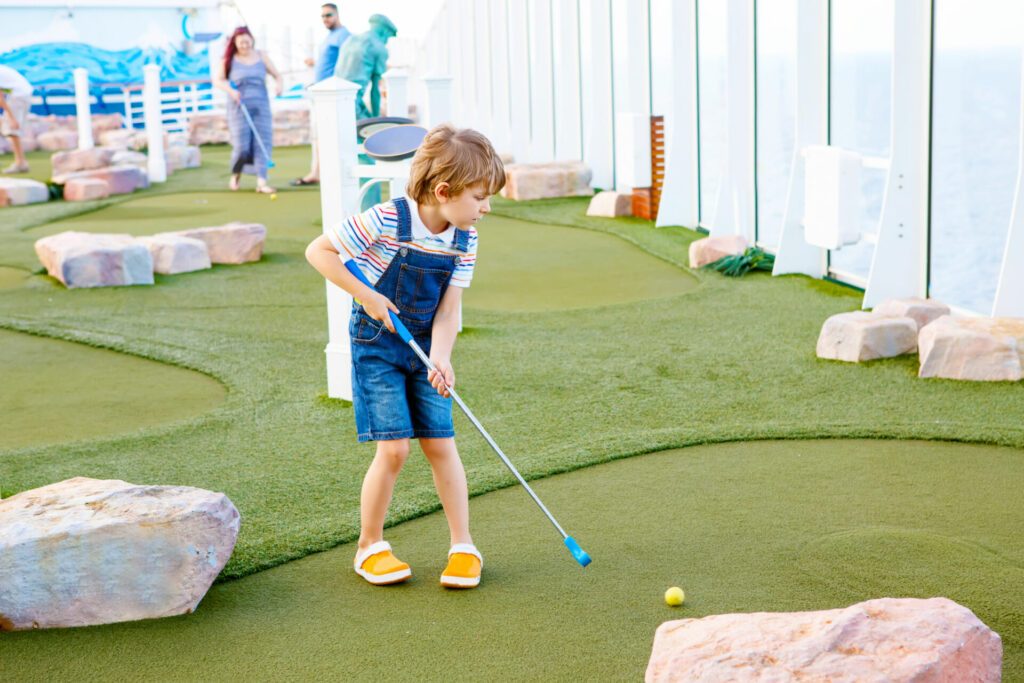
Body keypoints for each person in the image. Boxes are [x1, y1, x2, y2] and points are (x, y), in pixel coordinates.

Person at [305, 124, 505, 589]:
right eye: (479, 197)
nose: (486, 207)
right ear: (443, 190)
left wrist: (442, 357)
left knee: (440, 443)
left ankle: (463, 546)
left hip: (425, 348)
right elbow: (320, 251)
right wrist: (366, 295)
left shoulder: (464, 239)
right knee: (394, 449)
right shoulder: (385, 220)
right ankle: (369, 546)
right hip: (377, 344)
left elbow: (449, 308)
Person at [213, 26, 283, 193]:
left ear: (252, 39)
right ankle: (236, 174)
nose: (244, 45)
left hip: (261, 106)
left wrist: (279, 86)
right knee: (241, 144)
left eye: (247, 41)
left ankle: (262, 182)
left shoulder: (261, 56)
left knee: (263, 142)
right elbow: (217, 80)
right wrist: (231, 91)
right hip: (239, 106)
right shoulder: (229, 59)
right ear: (235, 43)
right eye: (240, 42)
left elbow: (277, 75)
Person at [293, 3, 351, 187]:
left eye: (328, 15)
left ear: (337, 15)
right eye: (323, 16)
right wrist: (315, 63)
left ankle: (318, 173)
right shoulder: (329, 37)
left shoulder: (344, 36)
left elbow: (347, 61)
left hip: (331, 94)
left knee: (323, 134)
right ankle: (317, 171)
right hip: (319, 91)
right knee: (317, 135)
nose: (325, 19)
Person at [335, 13, 397, 120]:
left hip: (334, 98)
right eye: (388, 37)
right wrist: (376, 118)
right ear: (384, 31)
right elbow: (375, 89)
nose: (387, 41)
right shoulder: (379, 47)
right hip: (353, 103)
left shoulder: (350, 40)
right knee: (371, 134)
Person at [0, 64, 33, 174]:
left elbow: (0, 97)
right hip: (23, 94)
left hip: (19, 96)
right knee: (12, 130)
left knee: (12, 130)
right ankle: (20, 162)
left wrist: (12, 118)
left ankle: (20, 163)